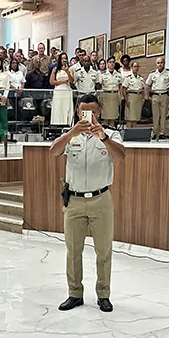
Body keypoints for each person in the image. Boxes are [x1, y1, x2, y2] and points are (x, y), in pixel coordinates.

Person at [51, 94, 126, 313]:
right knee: (73, 251)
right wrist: (70, 133)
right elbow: (53, 151)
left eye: (93, 111)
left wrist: (103, 138)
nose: (89, 115)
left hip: (101, 200)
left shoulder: (111, 134)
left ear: (100, 111)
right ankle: (75, 293)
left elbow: (121, 156)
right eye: (84, 111)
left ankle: (104, 294)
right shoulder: (71, 136)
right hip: (74, 200)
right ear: (77, 112)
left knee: (103, 251)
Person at [144, 57, 169, 140]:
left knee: (164, 115)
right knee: (155, 115)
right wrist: (147, 97)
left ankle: (162, 133)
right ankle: (155, 132)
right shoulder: (152, 74)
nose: (159, 64)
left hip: (164, 95)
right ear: (156, 64)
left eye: (161, 63)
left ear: (164, 63)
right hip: (155, 96)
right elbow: (147, 85)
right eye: (158, 63)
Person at [49, 52, 74, 125]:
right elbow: (52, 82)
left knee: (66, 108)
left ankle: (68, 124)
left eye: (65, 58)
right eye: (62, 58)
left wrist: (67, 72)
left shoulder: (70, 69)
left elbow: (72, 81)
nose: (64, 60)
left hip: (67, 90)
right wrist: (62, 81)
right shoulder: (55, 69)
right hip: (58, 90)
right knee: (58, 108)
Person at [99, 58, 123, 127]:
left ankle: (112, 132)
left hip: (115, 95)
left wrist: (120, 96)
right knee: (106, 118)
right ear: (107, 64)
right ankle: (106, 133)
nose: (112, 63)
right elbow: (99, 86)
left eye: (113, 62)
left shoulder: (118, 74)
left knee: (113, 117)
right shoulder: (103, 74)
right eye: (110, 62)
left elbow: (120, 85)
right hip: (106, 95)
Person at [121, 60, 145, 125]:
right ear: (132, 68)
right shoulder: (128, 78)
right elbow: (123, 89)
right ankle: (129, 132)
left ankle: (134, 132)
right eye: (134, 66)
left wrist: (143, 98)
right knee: (129, 117)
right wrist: (126, 99)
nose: (136, 68)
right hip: (131, 97)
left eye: (137, 66)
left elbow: (143, 89)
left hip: (138, 98)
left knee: (136, 117)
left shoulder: (141, 78)